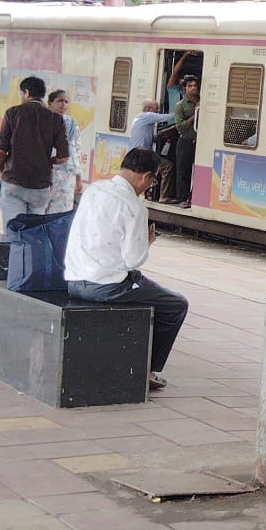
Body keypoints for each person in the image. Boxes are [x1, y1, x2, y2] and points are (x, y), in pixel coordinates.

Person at [65, 147, 189, 392]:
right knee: (176, 305)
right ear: (146, 177)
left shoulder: (93, 189)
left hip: (75, 279)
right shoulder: (134, 207)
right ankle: (146, 369)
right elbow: (134, 260)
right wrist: (148, 241)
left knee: (141, 285)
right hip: (107, 286)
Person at [0, 75, 69, 230]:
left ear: (27, 92)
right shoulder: (56, 119)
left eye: (22, 93)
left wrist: (1, 170)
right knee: (33, 234)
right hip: (40, 186)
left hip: (14, 181)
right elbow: (63, 157)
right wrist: (48, 161)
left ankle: (13, 254)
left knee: (13, 232)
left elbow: (1, 151)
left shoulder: (13, 113)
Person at [45, 90, 84, 214]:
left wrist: (78, 178)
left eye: (66, 101)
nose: (63, 104)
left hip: (65, 176)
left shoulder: (71, 124)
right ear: (50, 103)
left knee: (59, 214)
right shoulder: (43, 120)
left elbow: (75, 151)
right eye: (59, 101)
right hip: (44, 173)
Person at [169, 75, 199, 207]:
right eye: (190, 86)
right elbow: (179, 125)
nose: (193, 88)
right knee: (183, 171)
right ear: (184, 88)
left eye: (195, 86)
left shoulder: (202, 101)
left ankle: (194, 197)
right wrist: (195, 115)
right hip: (185, 140)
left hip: (199, 142)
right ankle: (182, 199)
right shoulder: (180, 105)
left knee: (199, 171)